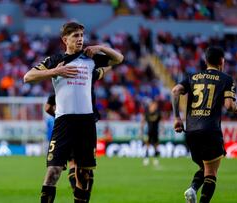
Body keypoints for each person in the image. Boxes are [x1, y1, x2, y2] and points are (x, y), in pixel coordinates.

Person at [24, 21, 123, 203]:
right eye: (75, 36)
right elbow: (27, 77)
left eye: (81, 36)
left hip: (86, 123)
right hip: (64, 123)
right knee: (53, 171)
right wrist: (55, 71)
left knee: (83, 175)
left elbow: (119, 59)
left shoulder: (90, 59)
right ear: (65, 40)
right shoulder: (54, 61)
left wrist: (100, 47)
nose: (80, 39)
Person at [171, 46, 237, 203]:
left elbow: (176, 90)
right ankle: (198, 195)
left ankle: (193, 188)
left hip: (191, 131)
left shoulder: (193, 76)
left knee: (204, 168)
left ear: (205, 60)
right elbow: (229, 106)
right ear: (221, 61)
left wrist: (177, 117)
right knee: (211, 173)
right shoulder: (226, 78)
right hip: (210, 130)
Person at [44, 66, 112, 194]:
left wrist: (59, 116)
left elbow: (47, 107)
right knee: (85, 166)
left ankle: (78, 191)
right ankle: (81, 194)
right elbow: (107, 67)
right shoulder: (86, 81)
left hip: (68, 127)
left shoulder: (60, 88)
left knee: (73, 163)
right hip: (85, 126)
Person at [140, 100, 161, 166]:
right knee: (147, 145)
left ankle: (155, 159)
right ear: (150, 106)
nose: (154, 107)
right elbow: (143, 121)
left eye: (155, 105)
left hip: (155, 131)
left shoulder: (158, 113)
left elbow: (161, 121)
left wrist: (162, 129)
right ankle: (146, 158)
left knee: (156, 145)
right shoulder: (147, 113)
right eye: (153, 105)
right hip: (149, 131)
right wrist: (141, 130)